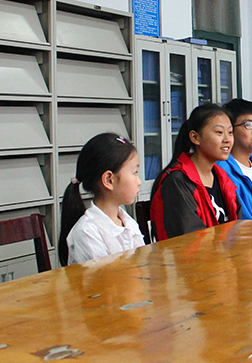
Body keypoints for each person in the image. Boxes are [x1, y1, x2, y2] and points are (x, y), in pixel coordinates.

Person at [150, 103, 240, 240]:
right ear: (195, 137)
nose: (227, 140)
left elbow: (238, 224)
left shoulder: (221, 177)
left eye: (230, 132)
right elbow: (191, 240)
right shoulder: (178, 182)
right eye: (219, 132)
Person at [58, 133, 144, 265]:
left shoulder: (128, 222)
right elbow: (106, 277)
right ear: (109, 180)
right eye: (134, 173)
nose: (139, 182)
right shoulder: (87, 232)